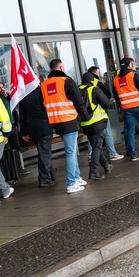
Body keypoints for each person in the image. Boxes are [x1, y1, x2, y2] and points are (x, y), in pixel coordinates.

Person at [41, 59, 90, 194]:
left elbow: (44, 104)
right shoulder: (66, 81)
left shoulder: (44, 85)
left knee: (72, 150)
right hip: (69, 120)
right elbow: (79, 101)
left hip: (56, 122)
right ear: (61, 67)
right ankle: (71, 183)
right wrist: (84, 117)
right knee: (70, 152)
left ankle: (76, 177)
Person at [19, 86, 56, 187]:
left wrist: (24, 132)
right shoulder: (42, 91)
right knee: (45, 153)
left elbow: (22, 117)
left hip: (32, 128)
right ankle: (44, 178)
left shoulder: (23, 95)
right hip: (45, 126)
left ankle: (51, 174)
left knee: (43, 152)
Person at [79, 72, 114, 180]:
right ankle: (93, 171)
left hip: (85, 124)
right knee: (97, 147)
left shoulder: (77, 90)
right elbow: (107, 104)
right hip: (97, 123)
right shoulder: (94, 89)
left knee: (95, 146)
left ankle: (106, 166)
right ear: (92, 81)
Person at [0, 82, 30, 175]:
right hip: (1, 129)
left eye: (2, 87)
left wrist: (10, 95)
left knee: (16, 148)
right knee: (3, 150)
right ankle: (7, 171)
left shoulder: (6, 97)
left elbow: (16, 102)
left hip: (11, 126)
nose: (1, 89)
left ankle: (19, 168)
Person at [87, 66, 123, 161]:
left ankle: (91, 156)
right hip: (100, 114)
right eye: (98, 73)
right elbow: (108, 95)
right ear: (95, 73)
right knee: (108, 133)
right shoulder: (97, 83)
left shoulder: (81, 85)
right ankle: (112, 153)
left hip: (89, 116)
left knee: (91, 136)